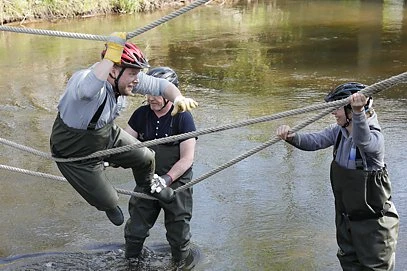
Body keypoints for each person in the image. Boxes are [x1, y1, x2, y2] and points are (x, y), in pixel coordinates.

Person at [49, 32, 198, 227]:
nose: (137, 80)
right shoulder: (85, 80)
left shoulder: (123, 79)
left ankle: (148, 185)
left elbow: (161, 85)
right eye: (132, 74)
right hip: (72, 150)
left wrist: (178, 97)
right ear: (113, 71)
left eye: (138, 74)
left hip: (105, 134)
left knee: (146, 157)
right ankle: (108, 204)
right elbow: (87, 90)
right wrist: (111, 56)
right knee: (109, 199)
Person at [276, 82, 399, 271]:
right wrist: (292, 137)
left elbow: (363, 141)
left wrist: (359, 113)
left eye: (337, 108)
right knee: (349, 265)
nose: (333, 113)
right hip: (346, 219)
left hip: (374, 226)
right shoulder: (339, 132)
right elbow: (314, 141)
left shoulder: (375, 138)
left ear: (352, 110)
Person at [123, 67, 198, 269]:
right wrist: (106, 158)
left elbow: (187, 159)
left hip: (176, 184)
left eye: (157, 94)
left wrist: (167, 179)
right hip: (147, 181)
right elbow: (125, 144)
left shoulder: (183, 118)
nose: (151, 98)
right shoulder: (140, 115)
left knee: (178, 233)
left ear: (169, 95)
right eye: (148, 93)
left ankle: (180, 264)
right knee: (135, 230)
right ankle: (130, 263)